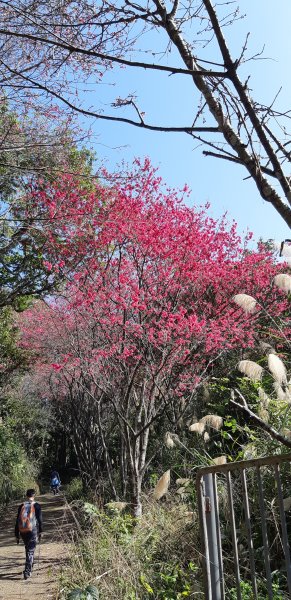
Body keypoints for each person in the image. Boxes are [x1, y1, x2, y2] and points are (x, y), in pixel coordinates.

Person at [15, 488, 43, 580]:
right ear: (34, 496)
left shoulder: (21, 506)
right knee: (30, 550)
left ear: (27, 496)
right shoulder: (37, 506)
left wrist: (17, 535)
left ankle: (30, 566)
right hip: (32, 530)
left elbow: (17, 521)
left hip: (22, 531)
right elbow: (40, 520)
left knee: (28, 549)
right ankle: (27, 571)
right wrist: (41, 531)